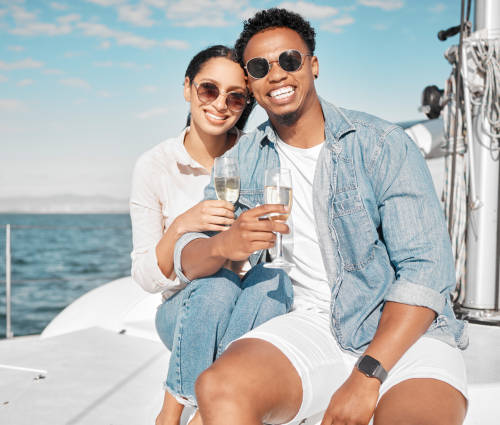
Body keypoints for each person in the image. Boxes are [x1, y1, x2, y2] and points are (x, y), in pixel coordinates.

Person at [174, 8, 469, 425]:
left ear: (312, 65)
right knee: (218, 388)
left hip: (404, 333)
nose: (276, 75)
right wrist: (225, 244)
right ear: (250, 82)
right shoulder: (242, 158)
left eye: (289, 60)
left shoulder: (381, 144)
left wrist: (366, 376)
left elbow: (425, 272)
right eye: (260, 67)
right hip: (310, 324)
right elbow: (188, 257)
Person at [129, 45, 293, 425]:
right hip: (183, 312)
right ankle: (172, 411)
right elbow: (144, 276)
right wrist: (183, 224)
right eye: (208, 90)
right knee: (216, 284)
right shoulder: (155, 167)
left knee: (273, 283)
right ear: (187, 88)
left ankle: (205, 415)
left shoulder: (260, 156)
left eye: (236, 96)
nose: (221, 104)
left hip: (250, 307)